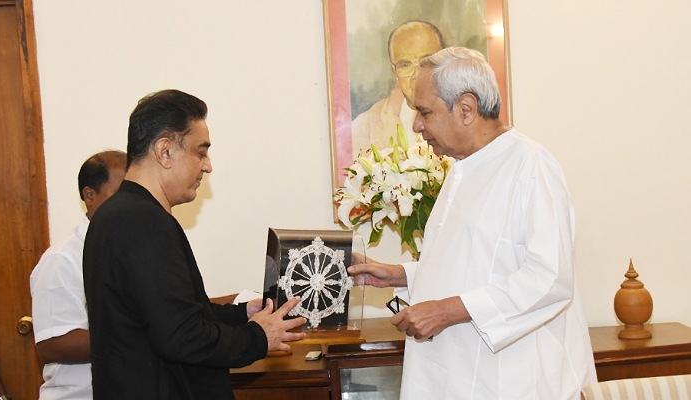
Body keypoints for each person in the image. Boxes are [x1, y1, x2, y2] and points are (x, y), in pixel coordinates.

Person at [348, 47, 597, 399]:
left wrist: (445, 311)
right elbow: (472, 263)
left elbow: (551, 278)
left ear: (466, 108)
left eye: (425, 112)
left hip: (512, 379)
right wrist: (399, 275)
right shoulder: (461, 168)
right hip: (455, 370)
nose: (417, 125)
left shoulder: (531, 166)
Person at [83, 89, 306, 400]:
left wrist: (243, 314)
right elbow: (181, 336)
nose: (208, 166)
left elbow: (172, 313)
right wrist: (258, 337)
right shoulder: (144, 221)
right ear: (164, 151)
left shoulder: (115, 215)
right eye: (201, 153)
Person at [30, 150, 127, 400]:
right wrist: (137, 337)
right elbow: (53, 343)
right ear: (89, 195)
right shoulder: (61, 259)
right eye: (120, 194)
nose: (129, 204)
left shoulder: (136, 250)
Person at [351, 20, 444, 156]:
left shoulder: (466, 117)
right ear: (394, 72)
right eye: (405, 65)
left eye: (426, 62)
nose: (416, 75)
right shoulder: (365, 127)